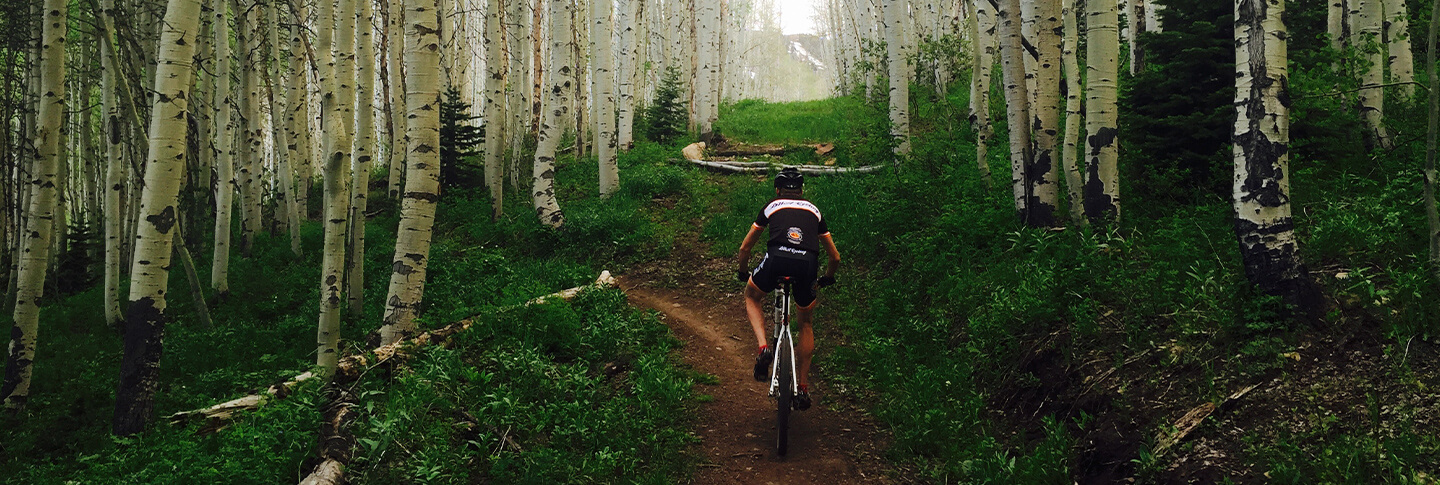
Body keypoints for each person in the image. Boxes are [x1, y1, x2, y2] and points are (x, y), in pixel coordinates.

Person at [735, 167, 840, 411]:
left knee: (751, 296)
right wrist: (827, 278)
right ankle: (802, 387)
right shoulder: (814, 211)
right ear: (802, 191)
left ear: (777, 190)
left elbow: (745, 247)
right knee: (805, 323)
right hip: (807, 265)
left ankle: (763, 348)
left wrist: (743, 271)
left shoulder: (772, 206)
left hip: (776, 260)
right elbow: (834, 256)